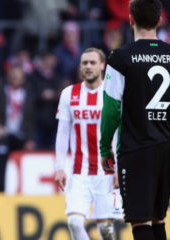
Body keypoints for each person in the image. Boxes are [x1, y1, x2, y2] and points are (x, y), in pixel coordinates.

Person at [99, 0, 170, 240]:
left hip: (136, 149)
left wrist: (104, 148)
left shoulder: (120, 59)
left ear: (130, 19)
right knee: (157, 220)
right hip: (167, 149)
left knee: (141, 224)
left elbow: (111, 109)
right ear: (160, 19)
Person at [55, 48, 122, 240]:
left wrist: (119, 166)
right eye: (84, 63)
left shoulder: (112, 93)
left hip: (107, 173)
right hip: (78, 173)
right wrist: (59, 167)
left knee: (106, 231)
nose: (88, 66)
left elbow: (120, 133)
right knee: (74, 223)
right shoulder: (69, 93)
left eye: (93, 62)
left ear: (102, 66)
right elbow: (62, 133)